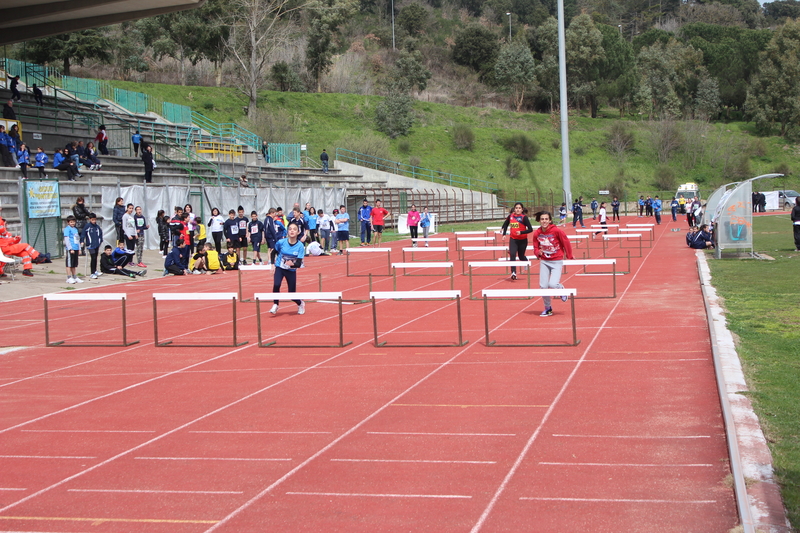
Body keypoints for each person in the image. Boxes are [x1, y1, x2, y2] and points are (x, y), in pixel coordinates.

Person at [532, 211, 574, 317]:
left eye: (546, 219)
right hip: (545, 261)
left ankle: (561, 289)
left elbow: (565, 242)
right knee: (543, 286)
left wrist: (569, 255)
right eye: (542, 219)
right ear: (539, 220)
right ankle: (548, 308)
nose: (544, 221)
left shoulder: (556, 231)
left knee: (552, 284)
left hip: (556, 261)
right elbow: (535, 247)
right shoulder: (537, 233)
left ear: (550, 220)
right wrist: (538, 253)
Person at [269, 222, 306, 315]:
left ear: (298, 232)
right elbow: (273, 253)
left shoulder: (300, 246)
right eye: (290, 229)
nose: (292, 231)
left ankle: (300, 303)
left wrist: (292, 264)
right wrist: (272, 264)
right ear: (287, 231)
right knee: (276, 284)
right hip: (280, 267)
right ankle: (275, 304)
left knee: (291, 294)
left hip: (291, 270)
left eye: (294, 229)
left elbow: (298, 263)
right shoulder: (281, 242)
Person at [0, 206, 46, 277]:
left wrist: (16, 239)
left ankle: (26, 270)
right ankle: (36, 257)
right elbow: (4, 240)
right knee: (25, 245)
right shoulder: (2, 227)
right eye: (4, 224)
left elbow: (9, 241)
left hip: (8, 247)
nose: (5, 225)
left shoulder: (8, 233)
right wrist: (13, 239)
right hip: (5, 248)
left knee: (24, 253)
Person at [501, 202, 534, 281]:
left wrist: (521, 232)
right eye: (516, 208)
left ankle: (525, 261)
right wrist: (504, 234)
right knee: (512, 254)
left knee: (521, 256)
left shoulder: (524, 218)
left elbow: (530, 229)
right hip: (513, 239)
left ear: (522, 209)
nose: (518, 209)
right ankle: (513, 272)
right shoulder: (511, 216)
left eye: (519, 208)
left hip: (522, 240)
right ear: (514, 209)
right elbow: (505, 224)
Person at [81, 212, 103, 279]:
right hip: (90, 245)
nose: (94, 221)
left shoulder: (97, 227)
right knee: (93, 258)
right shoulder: (87, 226)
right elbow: (83, 234)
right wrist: (82, 241)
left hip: (96, 244)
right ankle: (92, 273)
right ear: (89, 219)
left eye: (95, 219)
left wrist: (100, 241)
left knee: (95, 258)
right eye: (92, 220)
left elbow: (100, 234)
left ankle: (95, 270)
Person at [63, 215, 82, 284]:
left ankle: (74, 276)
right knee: (69, 264)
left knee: (74, 264)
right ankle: (68, 277)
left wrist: (79, 248)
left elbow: (77, 239)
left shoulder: (75, 229)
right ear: (68, 222)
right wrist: (70, 248)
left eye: (73, 222)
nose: (72, 223)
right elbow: (67, 239)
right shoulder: (67, 229)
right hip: (71, 249)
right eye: (71, 222)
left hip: (76, 248)